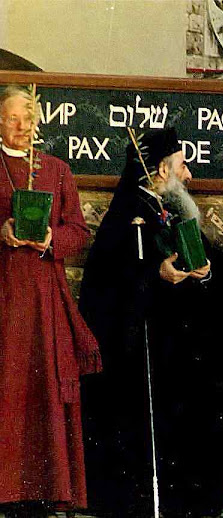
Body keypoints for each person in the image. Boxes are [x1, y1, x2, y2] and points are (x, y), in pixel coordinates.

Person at [78, 127, 223, 517]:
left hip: (177, 351)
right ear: (158, 171)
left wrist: (202, 272)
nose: (188, 176)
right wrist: (156, 275)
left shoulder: (163, 210)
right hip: (142, 354)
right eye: (182, 166)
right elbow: (112, 283)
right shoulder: (128, 214)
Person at [0, 85, 101, 516]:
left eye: (28, 117)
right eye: (12, 118)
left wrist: (49, 239)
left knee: (42, 390)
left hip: (44, 298)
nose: (22, 126)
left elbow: (79, 231)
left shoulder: (57, 171)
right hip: (4, 295)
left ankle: (46, 487)